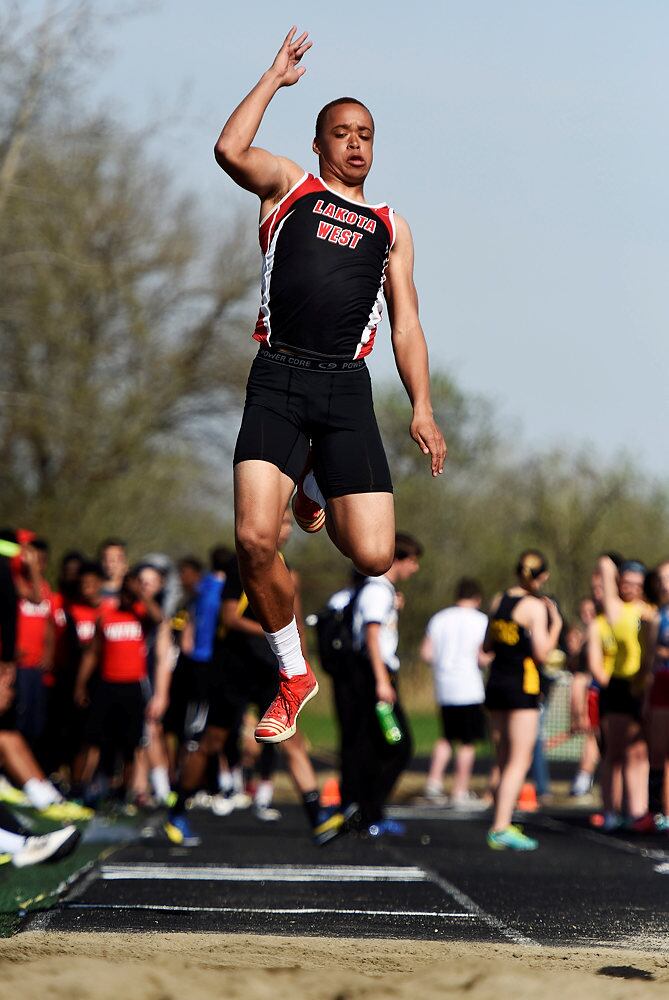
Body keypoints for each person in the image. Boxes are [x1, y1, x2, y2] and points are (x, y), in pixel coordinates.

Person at [214, 27, 446, 744]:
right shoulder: (290, 186)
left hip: (346, 388)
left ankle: (311, 485)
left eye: (364, 135)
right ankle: (292, 674)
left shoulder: (389, 225)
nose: (354, 145)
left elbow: (404, 325)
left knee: (374, 555)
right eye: (341, 133)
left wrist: (422, 409)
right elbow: (229, 151)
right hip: (277, 375)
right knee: (255, 541)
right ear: (318, 144)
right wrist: (271, 80)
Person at [166, 510, 344, 847]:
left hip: (270, 670)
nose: (288, 531)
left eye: (291, 524)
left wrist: (301, 661)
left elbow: (295, 623)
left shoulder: (289, 570)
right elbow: (229, 617)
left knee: (292, 739)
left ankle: (317, 815)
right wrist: (270, 632)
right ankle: (177, 809)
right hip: (233, 669)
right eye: (283, 524)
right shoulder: (241, 564)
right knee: (213, 742)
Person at [484, 550, 562, 851]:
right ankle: (501, 826)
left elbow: (487, 645)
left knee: (502, 757)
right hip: (522, 685)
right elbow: (543, 654)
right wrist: (555, 624)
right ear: (541, 577)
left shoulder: (498, 599)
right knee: (520, 759)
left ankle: (499, 819)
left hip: (496, 683)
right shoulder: (535, 606)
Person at [348, 533, 422, 835]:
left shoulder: (385, 591)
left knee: (380, 747)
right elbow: (372, 636)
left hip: (380, 673)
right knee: (399, 746)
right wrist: (381, 680)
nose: (414, 569)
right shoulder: (377, 590)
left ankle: (370, 811)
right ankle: (368, 811)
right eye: (413, 561)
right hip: (375, 674)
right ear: (398, 559)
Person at [593, 555, 654, 831]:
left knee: (639, 753)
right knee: (615, 752)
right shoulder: (614, 610)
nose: (631, 587)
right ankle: (610, 810)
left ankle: (637, 811)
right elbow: (606, 566)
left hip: (644, 686)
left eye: (636, 583)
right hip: (620, 686)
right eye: (626, 582)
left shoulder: (648, 611)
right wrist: (614, 566)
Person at [421, 578, 491, 809]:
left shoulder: (439, 618)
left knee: (446, 737)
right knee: (467, 742)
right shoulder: (481, 621)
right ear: (477, 598)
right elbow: (483, 657)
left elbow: (426, 654)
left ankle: (433, 782)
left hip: (445, 685)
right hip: (469, 686)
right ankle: (460, 789)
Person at [646, 559, 669, 828]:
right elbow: (650, 659)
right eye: (661, 578)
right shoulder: (656, 615)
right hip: (660, 684)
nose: (664, 583)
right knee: (659, 752)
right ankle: (659, 810)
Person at [98, 538, 129, 604]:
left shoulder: (133, 593)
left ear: (125, 563)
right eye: (106, 559)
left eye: (114, 560)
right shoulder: (93, 593)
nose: (109, 564)